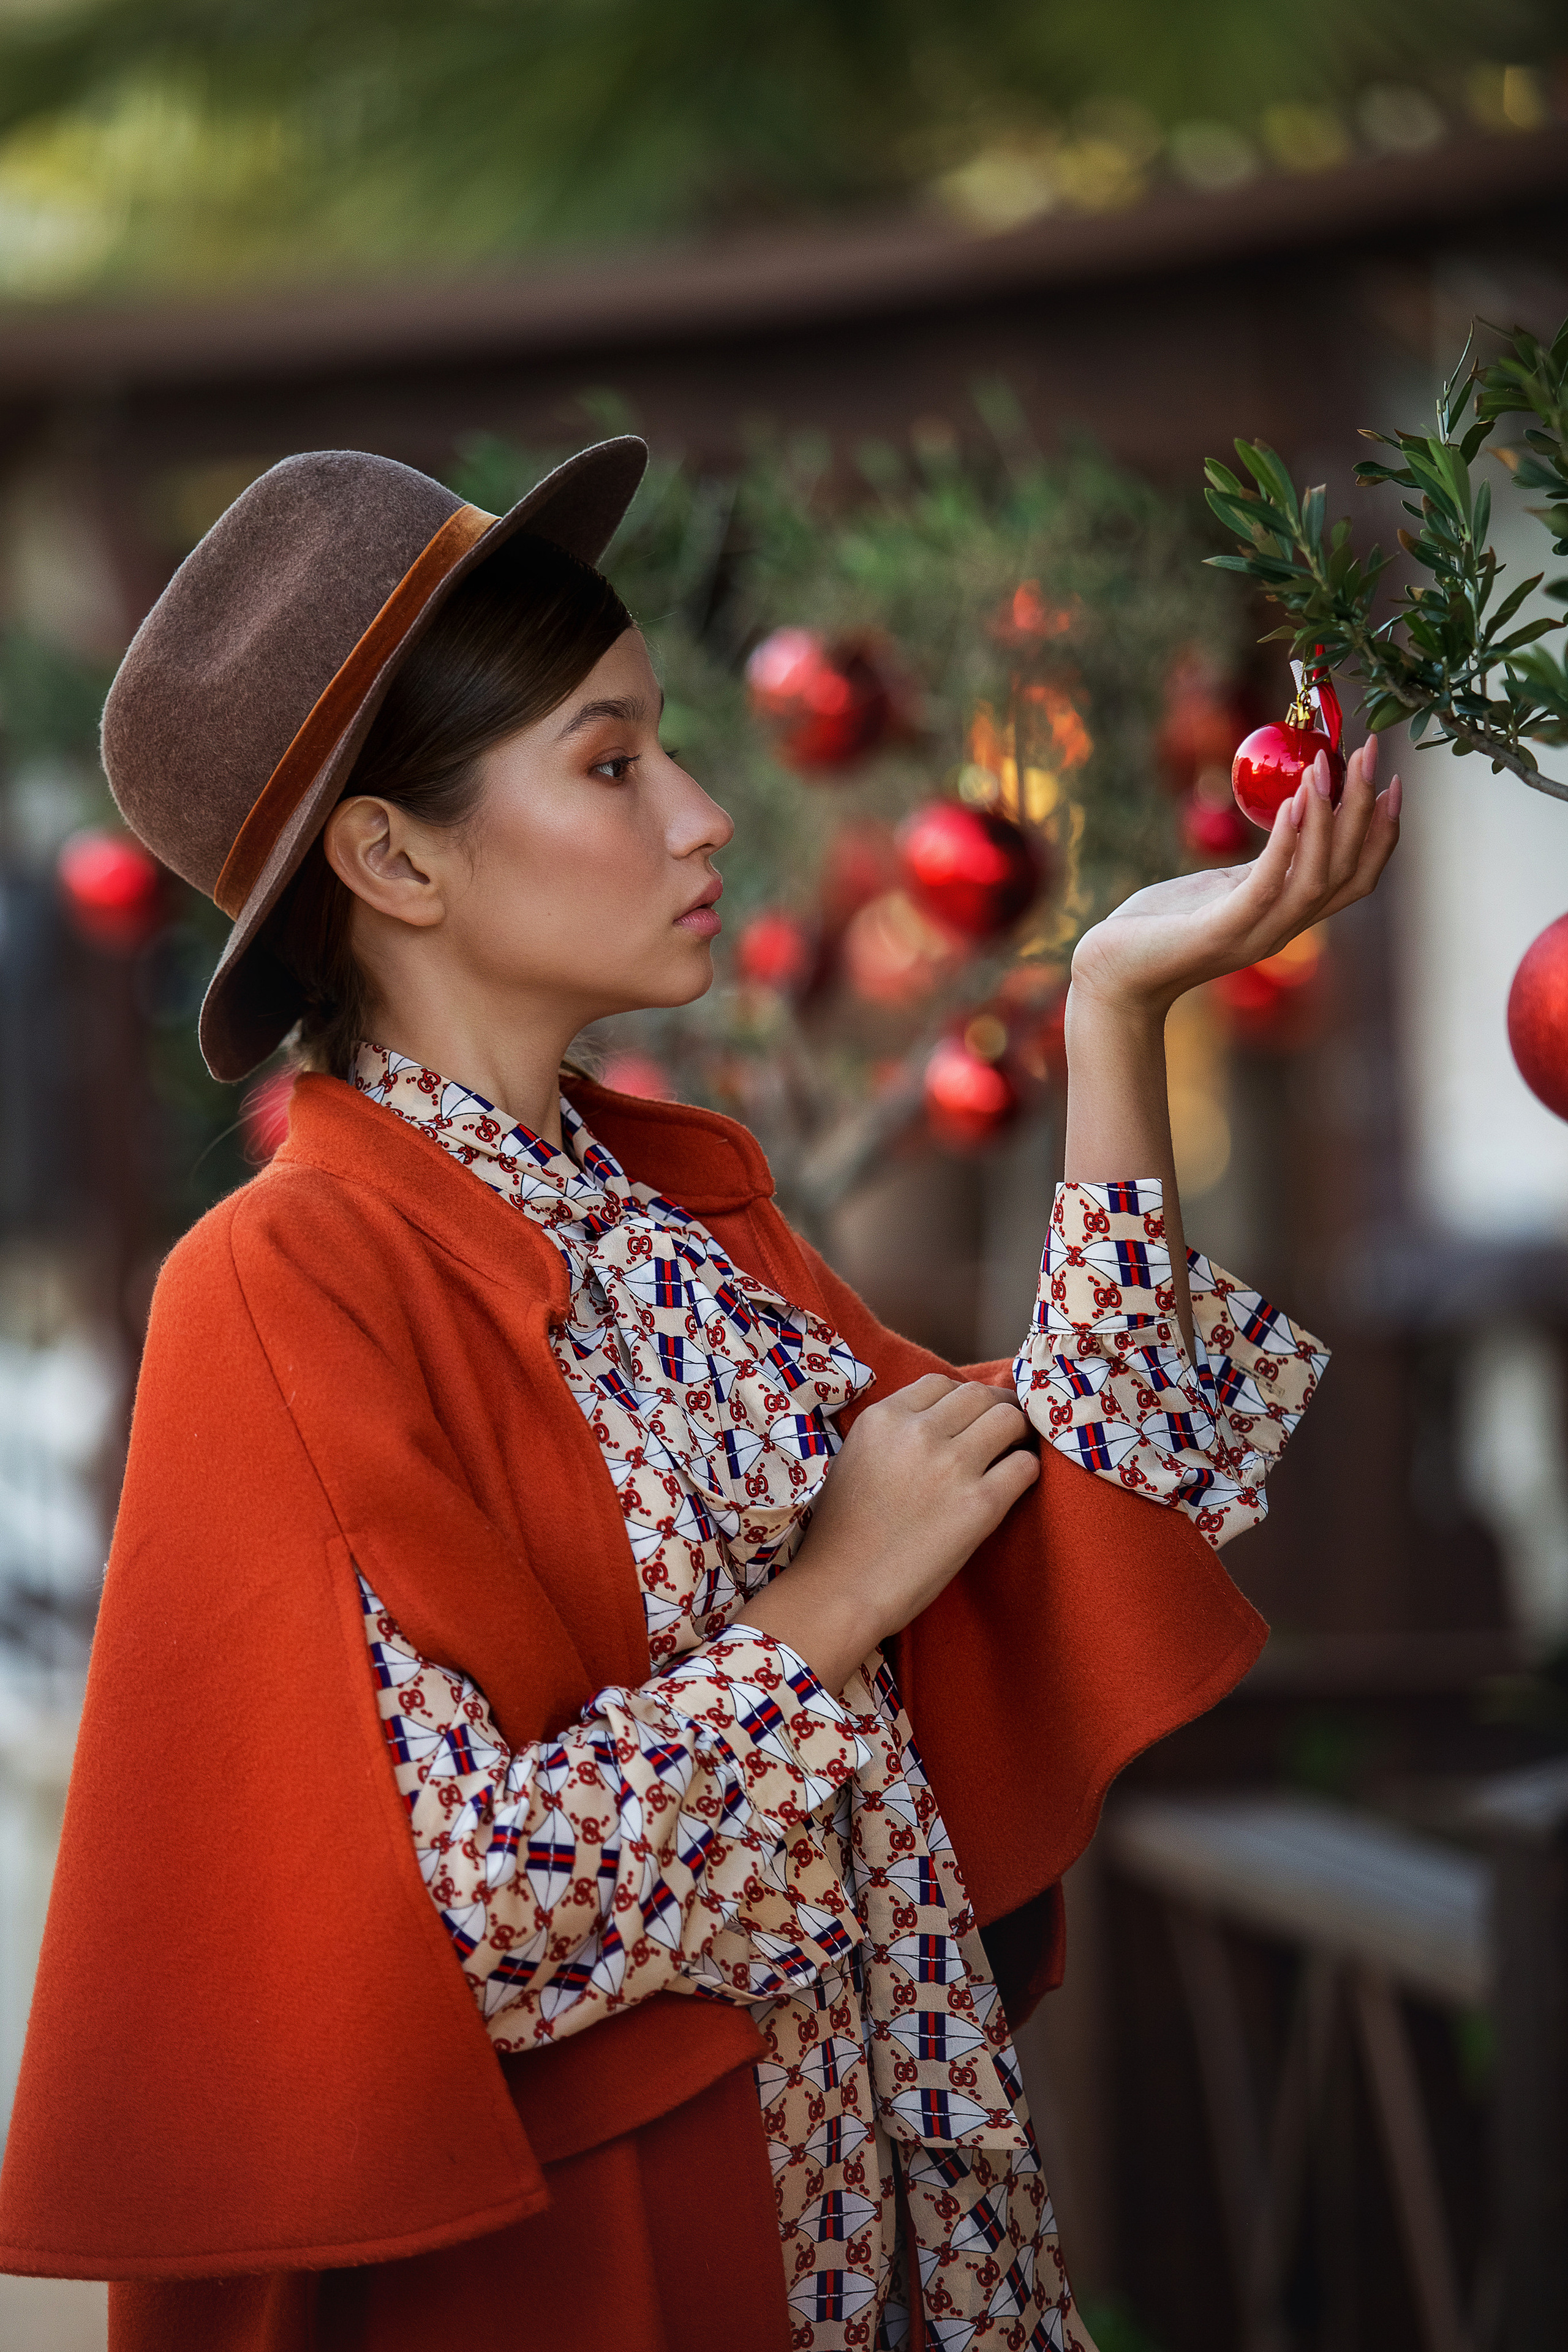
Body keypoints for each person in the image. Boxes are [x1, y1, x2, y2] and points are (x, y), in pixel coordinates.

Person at [0, 439, 1398, 2352]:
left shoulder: (677, 1205)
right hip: (599, 2268)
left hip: (892, 2221)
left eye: (666, 744)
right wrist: (827, 1602)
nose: (706, 813)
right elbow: (464, 1921)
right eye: (611, 763)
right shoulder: (283, 1287)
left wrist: (1113, 1015)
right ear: (391, 857)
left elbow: (1086, 1480)